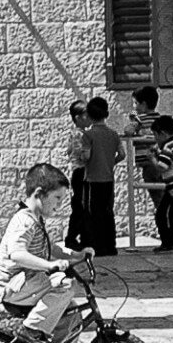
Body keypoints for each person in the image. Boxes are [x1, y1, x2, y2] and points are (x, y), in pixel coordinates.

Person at [0, 162, 81, 343]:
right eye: (57, 198)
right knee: (65, 285)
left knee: (72, 313)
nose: (59, 205)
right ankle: (31, 330)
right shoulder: (23, 221)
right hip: (14, 287)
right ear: (40, 194)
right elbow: (17, 254)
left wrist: (77, 254)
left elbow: (51, 248)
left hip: (31, 282)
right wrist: (49, 266)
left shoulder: (36, 220)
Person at [68, 91, 124, 256]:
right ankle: (110, 246)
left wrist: (91, 162)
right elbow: (121, 154)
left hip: (92, 178)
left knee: (92, 212)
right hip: (108, 177)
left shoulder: (88, 135)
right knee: (108, 211)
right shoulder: (113, 134)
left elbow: (86, 156)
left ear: (91, 116)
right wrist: (108, 162)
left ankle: (95, 245)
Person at [138, 111, 173, 253]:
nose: (155, 139)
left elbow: (162, 167)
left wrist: (152, 159)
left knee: (172, 218)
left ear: (162, 134)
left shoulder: (168, 148)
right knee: (169, 217)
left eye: (156, 135)